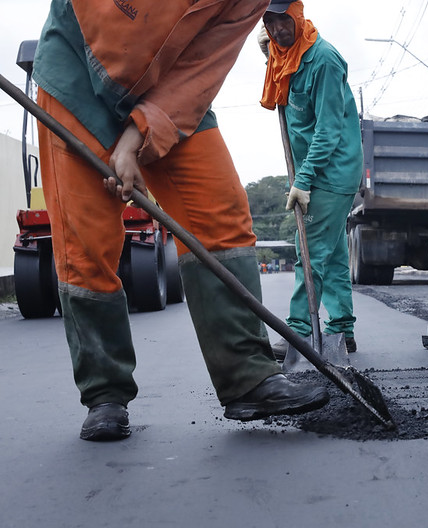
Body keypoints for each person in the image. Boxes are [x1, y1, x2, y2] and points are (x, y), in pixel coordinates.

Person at [32, 0, 329, 442]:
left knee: (220, 215)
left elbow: (204, 64)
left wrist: (138, 134)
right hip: (76, 71)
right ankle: (105, 393)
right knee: (85, 244)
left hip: (171, 88)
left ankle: (248, 378)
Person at [258, 0, 363, 356]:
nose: (277, 30)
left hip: (331, 171)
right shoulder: (282, 57)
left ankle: (299, 332)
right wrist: (270, 56)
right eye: (269, 23)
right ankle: (342, 329)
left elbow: (329, 130)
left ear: (298, 16)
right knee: (331, 253)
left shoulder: (324, 60)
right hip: (315, 171)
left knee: (310, 251)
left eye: (283, 21)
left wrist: (303, 180)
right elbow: (281, 79)